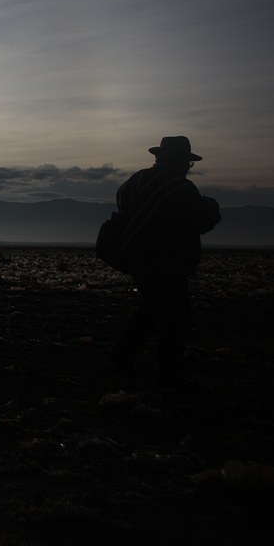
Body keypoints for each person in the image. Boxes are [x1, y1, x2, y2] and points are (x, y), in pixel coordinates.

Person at [109, 136, 221, 387]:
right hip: (166, 260)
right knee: (175, 315)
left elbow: (124, 211)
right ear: (183, 162)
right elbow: (197, 222)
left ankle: (122, 357)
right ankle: (167, 372)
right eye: (185, 162)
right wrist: (211, 208)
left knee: (151, 307)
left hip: (134, 256)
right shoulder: (181, 189)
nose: (186, 167)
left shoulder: (134, 182)